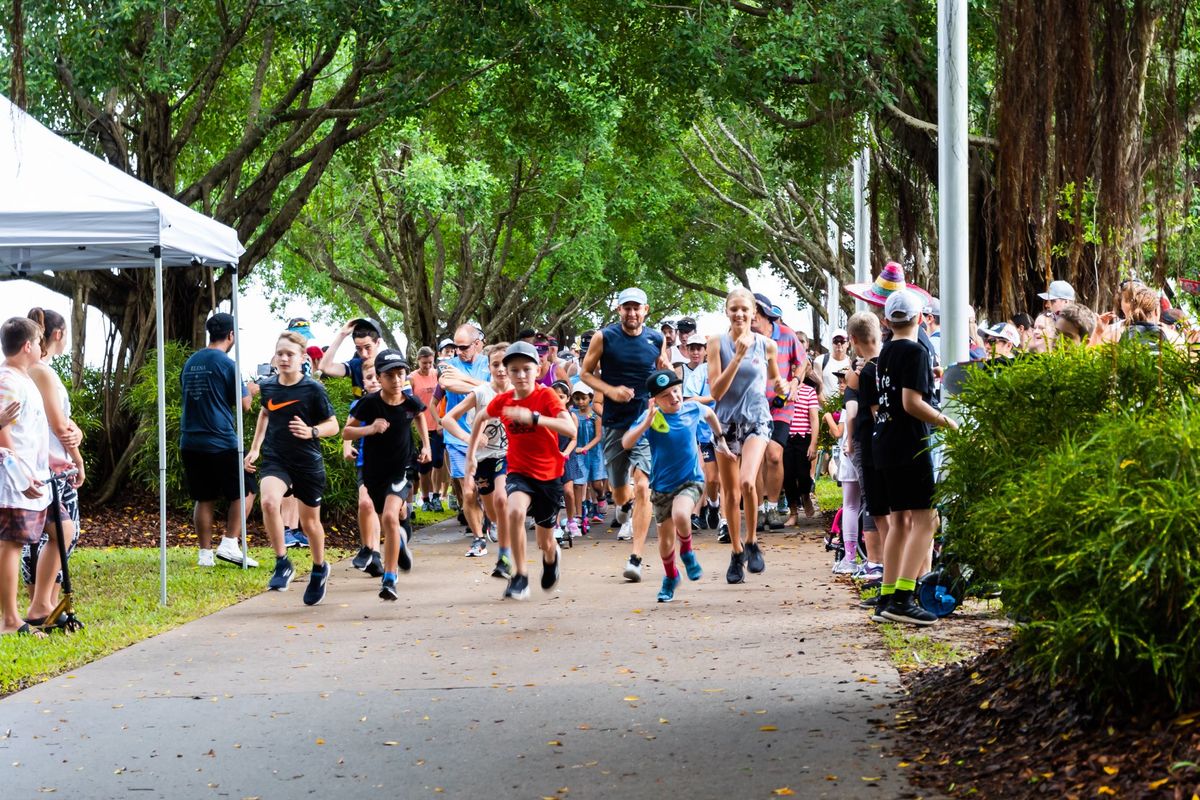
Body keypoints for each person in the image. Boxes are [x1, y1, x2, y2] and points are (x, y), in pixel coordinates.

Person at [871, 290, 958, 626]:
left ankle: (888, 595)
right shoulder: (917, 351)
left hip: (885, 442)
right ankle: (905, 598)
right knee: (927, 519)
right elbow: (911, 403)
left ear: (886, 321)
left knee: (900, 521)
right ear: (921, 318)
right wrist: (947, 421)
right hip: (909, 443)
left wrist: (928, 375)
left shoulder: (888, 350)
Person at [471, 342, 576, 600]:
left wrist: (535, 418)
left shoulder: (546, 396)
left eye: (526, 369)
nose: (520, 376)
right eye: (514, 370)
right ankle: (520, 575)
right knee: (514, 511)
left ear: (537, 369)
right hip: (518, 471)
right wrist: (471, 456)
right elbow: (479, 418)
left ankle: (551, 558)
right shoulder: (503, 401)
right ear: (506, 371)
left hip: (550, 475)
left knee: (545, 541)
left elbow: (570, 430)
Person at [580, 287, 668, 582]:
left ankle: (636, 557)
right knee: (620, 492)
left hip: (645, 421)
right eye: (626, 308)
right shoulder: (604, 337)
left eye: (637, 308)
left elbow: (660, 373)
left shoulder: (656, 338)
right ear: (618, 310)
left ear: (646, 310)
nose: (631, 313)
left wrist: (666, 375)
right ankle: (624, 505)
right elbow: (585, 373)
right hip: (615, 424)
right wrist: (610, 391)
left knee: (643, 487)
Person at [244, 332, 339, 605]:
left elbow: (333, 425)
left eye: (290, 354)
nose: (284, 359)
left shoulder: (313, 389)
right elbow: (265, 413)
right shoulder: (270, 387)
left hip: (307, 462)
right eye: (280, 353)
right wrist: (255, 448)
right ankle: (282, 562)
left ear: (302, 359)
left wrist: (312, 431)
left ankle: (320, 567)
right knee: (270, 502)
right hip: (277, 458)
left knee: (310, 523)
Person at [622, 370, 725, 602]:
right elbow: (627, 442)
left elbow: (709, 413)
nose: (674, 398)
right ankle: (671, 577)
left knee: (681, 514)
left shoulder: (691, 409)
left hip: (691, 480)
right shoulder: (653, 418)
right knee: (666, 542)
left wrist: (720, 438)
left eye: (676, 391)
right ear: (655, 400)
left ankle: (687, 552)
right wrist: (645, 423)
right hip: (662, 487)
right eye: (666, 395)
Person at [708, 288, 787, 584]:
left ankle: (752, 541)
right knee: (730, 492)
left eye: (745, 309)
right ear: (727, 312)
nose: (740, 314)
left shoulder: (767, 345)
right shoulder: (716, 343)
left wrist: (781, 386)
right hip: (725, 424)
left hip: (756, 420)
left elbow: (774, 378)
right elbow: (716, 391)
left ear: (754, 312)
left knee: (747, 481)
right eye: (734, 309)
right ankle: (736, 551)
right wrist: (737, 358)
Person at [342, 350, 430, 601]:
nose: (396, 380)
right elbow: (347, 433)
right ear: (379, 378)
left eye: (400, 374)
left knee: (390, 516)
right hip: (373, 473)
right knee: (385, 519)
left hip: (402, 468)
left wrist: (426, 445)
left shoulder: (409, 401)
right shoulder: (369, 403)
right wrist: (371, 428)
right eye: (389, 375)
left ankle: (390, 577)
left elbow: (421, 415)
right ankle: (399, 542)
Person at [21, 309, 86, 627]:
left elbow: (61, 420)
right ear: (58, 334)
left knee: (57, 534)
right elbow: (59, 425)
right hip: (52, 464)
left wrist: (77, 432)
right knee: (61, 534)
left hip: (49, 461)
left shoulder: (37, 370)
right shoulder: (41, 372)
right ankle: (40, 603)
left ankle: (45, 601)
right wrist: (78, 457)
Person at [178, 312, 258, 569]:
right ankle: (229, 543)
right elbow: (245, 405)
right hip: (221, 440)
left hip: (190, 440)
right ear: (231, 335)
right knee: (246, 491)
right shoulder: (227, 364)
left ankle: (204, 555)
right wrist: (252, 389)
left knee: (204, 497)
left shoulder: (191, 362)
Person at [0, 317, 52, 637]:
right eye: (38, 341)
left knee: (21, 541)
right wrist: (21, 476)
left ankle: (27, 609)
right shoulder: (8, 380)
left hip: (31, 477)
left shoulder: (22, 377)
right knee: (11, 544)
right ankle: (10, 618)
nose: (42, 347)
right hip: (15, 481)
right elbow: (3, 432)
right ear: (27, 346)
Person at [317, 317, 385, 554]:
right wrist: (342, 334)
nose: (364, 353)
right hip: (365, 437)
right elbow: (325, 368)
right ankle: (371, 550)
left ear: (378, 343)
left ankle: (398, 534)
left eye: (368, 347)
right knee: (366, 502)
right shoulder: (357, 366)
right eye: (359, 349)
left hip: (392, 441)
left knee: (393, 509)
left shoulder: (392, 363)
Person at [444, 343, 513, 559]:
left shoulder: (520, 391)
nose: (501, 369)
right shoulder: (481, 392)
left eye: (505, 364)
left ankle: (505, 550)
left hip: (508, 455)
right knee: (491, 510)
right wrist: (469, 438)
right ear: (489, 368)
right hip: (482, 456)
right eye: (495, 364)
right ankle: (488, 529)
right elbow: (447, 419)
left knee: (502, 497)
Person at [751, 293, 804, 531]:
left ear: (763, 315)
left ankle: (773, 506)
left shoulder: (786, 334)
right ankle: (760, 509)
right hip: (752, 406)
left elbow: (802, 362)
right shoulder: (744, 338)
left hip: (781, 405)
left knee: (774, 454)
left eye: (753, 315)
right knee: (759, 456)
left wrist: (794, 383)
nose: (749, 320)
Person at [438, 324, 493, 539]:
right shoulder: (448, 364)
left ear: (477, 344)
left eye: (464, 347)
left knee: (484, 489)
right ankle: (479, 537)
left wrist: (468, 381)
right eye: (456, 347)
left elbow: (496, 388)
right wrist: (481, 388)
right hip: (458, 438)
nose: (459, 351)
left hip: (486, 438)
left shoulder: (488, 365)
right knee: (468, 490)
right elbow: (448, 384)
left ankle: (489, 519)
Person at [845, 312, 886, 584]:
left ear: (852, 340)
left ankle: (876, 563)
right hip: (888, 443)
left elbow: (869, 412)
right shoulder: (890, 364)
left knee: (874, 504)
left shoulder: (867, 373)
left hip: (870, 441)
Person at [346, 365, 385, 576]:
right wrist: (346, 447)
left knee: (389, 512)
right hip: (365, 462)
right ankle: (371, 550)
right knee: (365, 504)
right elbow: (348, 429)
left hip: (391, 463)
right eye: (368, 378)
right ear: (363, 382)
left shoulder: (394, 401)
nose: (373, 381)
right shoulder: (359, 403)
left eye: (376, 377)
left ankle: (379, 550)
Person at [679, 331, 720, 529]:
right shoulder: (700, 372)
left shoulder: (728, 368)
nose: (696, 351)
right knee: (710, 477)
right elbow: (689, 399)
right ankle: (712, 505)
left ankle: (725, 521)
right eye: (692, 348)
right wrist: (713, 397)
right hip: (704, 432)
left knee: (728, 479)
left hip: (730, 431)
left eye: (700, 348)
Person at [408, 347, 446, 511]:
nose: (427, 366)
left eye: (430, 362)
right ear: (418, 361)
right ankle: (425, 498)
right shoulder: (412, 378)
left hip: (437, 425)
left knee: (438, 462)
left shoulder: (437, 374)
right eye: (424, 363)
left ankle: (436, 495)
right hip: (420, 427)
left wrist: (441, 421)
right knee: (424, 466)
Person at [567, 383, 605, 531]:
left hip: (593, 453)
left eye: (583, 398)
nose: (580, 402)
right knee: (578, 484)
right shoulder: (573, 414)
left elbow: (598, 436)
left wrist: (586, 448)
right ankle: (579, 514)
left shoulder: (595, 415)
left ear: (590, 398)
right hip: (578, 453)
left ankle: (600, 498)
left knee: (596, 484)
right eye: (577, 398)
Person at [782, 374, 819, 525]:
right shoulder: (782, 389)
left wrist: (813, 443)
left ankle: (805, 494)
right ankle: (793, 512)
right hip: (785, 437)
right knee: (788, 476)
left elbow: (814, 418)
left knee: (804, 474)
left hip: (803, 438)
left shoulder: (809, 391)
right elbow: (776, 408)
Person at [819, 329, 852, 396]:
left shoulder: (851, 363)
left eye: (842, 341)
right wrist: (828, 406)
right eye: (836, 341)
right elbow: (817, 388)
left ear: (848, 344)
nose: (839, 344)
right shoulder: (820, 360)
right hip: (824, 406)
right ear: (832, 343)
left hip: (846, 405)